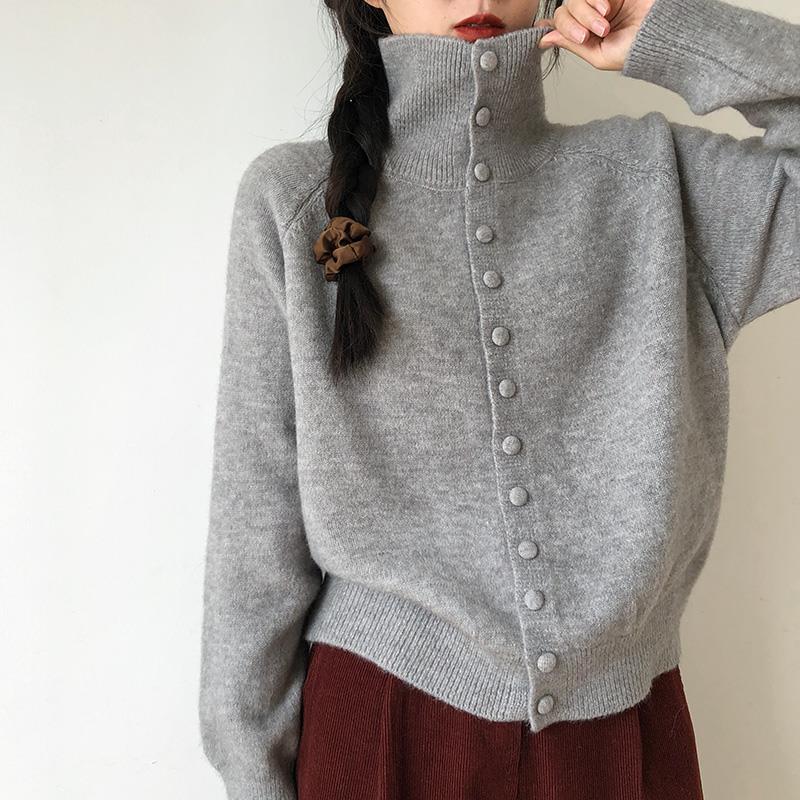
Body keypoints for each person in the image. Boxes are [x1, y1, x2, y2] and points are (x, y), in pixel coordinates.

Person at [198, 0, 800, 798]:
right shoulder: (293, 201)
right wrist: (253, 776)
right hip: (380, 726)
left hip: (624, 733)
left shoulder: (661, 183)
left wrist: (670, 34)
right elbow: (255, 532)